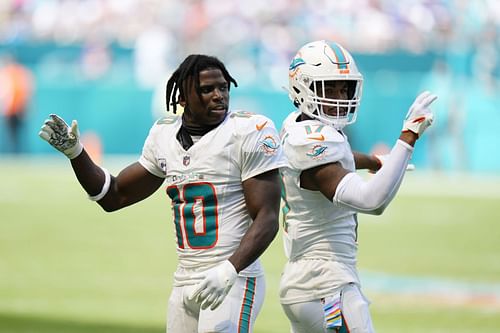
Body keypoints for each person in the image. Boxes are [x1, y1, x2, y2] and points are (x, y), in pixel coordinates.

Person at [39, 54, 287, 333]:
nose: (219, 96)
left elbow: (267, 217)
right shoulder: (164, 136)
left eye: (223, 88)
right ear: (182, 98)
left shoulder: (247, 131)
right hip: (184, 279)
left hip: (233, 278)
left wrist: (230, 269)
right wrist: (76, 153)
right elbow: (114, 195)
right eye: (207, 89)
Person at [279, 40, 437, 333]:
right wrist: (408, 135)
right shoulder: (314, 142)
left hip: (306, 279)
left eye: (344, 88)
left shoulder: (296, 126)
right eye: (329, 88)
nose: (340, 96)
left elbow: (339, 161)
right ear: (303, 87)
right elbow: (371, 200)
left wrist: (375, 160)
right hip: (325, 281)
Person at [0, 54, 33, 153]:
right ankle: (14, 154)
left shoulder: (20, 73)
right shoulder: (6, 73)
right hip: (10, 110)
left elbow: (26, 92)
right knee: (12, 135)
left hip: (18, 109)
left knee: (18, 134)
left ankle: (19, 154)